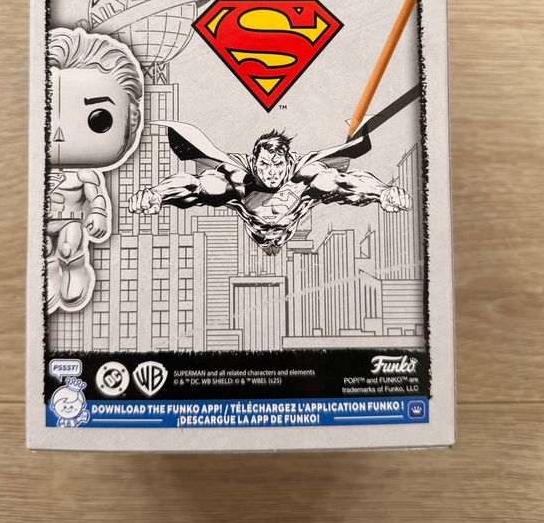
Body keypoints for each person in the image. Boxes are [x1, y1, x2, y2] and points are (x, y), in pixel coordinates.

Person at [130, 123, 410, 255]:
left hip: (288, 226)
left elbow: (345, 182)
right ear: (254, 162)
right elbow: (194, 186)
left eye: (278, 165)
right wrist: (156, 195)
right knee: (214, 187)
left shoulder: (305, 174)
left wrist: (383, 192)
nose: (272, 173)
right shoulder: (238, 178)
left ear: (289, 161)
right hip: (257, 230)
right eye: (264, 165)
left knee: (327, 180)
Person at [47, 27, 143, 313]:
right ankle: (48, 275)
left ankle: (75, 270)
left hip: (71, 220)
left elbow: (96, 196)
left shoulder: (85, 174)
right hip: (40, 222)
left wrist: (99, 214)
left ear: (132, 121)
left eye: (98, 119)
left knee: (69, 247)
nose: (59, 135)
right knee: (42, 250)